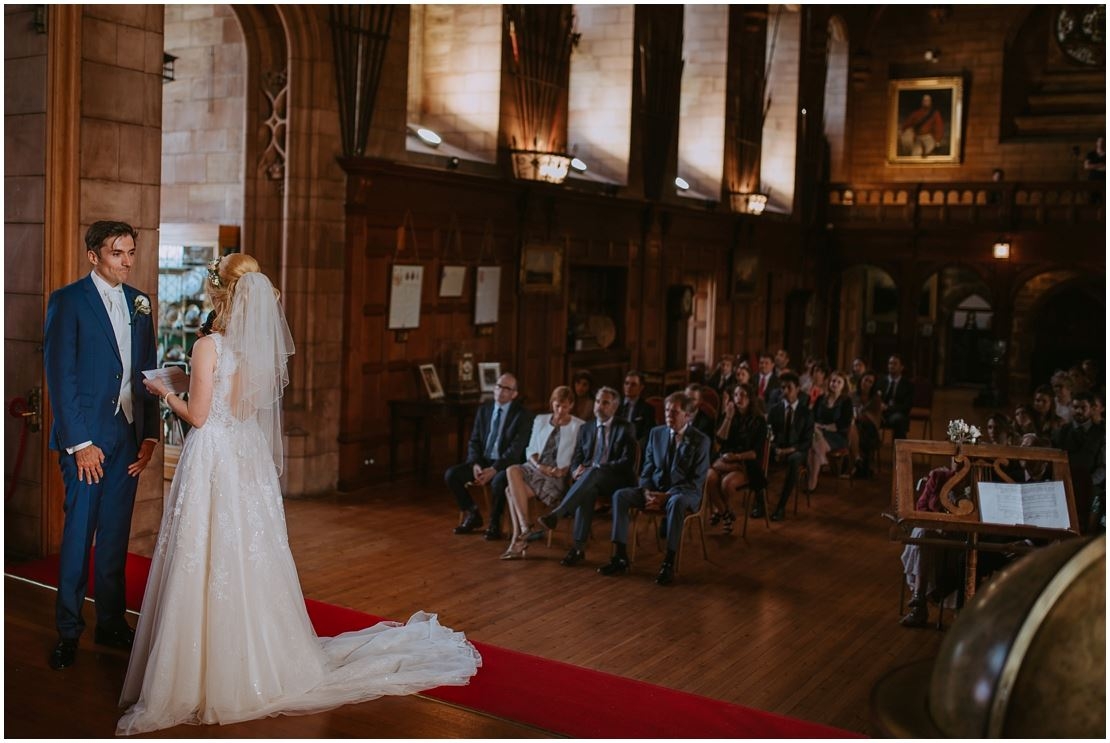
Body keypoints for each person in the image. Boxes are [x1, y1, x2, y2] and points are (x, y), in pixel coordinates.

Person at [121, 254, 480, 734]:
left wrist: (163, 391)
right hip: (244, 458)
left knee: (205, 553)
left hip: (213, 458)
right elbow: (240, 406)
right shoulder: (255, 349)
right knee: (249, 557)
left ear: (219, 293)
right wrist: (194, 388)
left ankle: (203, 670)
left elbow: (202, 417)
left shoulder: (208, 346)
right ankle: (260, 660)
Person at [43, 221, 160, 671]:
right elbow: (61, 376)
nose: (127, 261)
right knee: (78, 536)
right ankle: (68, 631)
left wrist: (148, 436)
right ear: (94, 256)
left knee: (114, 536)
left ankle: (111, 623)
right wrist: (80, 444)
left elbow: (146, 372)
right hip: (86, 441)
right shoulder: (68, 301)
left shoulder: (140, 304)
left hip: (127, 437)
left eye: (131, 252)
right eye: (118, 253)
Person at [597, 391, 711, 586]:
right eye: (667, 411)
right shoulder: (656, 433)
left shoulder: (701, 440)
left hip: (683, 494)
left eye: (674, 412)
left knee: (676, 502)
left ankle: (668, 562)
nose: (668, 415)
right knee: (620, 496)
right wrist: (647, 491)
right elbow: (648, 468)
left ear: (687, 415)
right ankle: (620, 556)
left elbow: (696, 481)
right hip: (655, 491)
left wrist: (665, 497)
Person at [535, 386, 638, 567]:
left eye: (605, 403)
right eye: (597, 402)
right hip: (592, 480)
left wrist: (597, 468)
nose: (599, 406)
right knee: (587, 490)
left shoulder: (625, 427)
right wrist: (575, 470)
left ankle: (558, 514)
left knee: (592, 473)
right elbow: (577, 458)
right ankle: (578, 549)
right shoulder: (586, 428)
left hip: (617, 480)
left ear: (614, 407)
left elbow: (627, 462)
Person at [443, 372, 533, 540]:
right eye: (498, 386)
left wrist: (494, 469)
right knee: (452, 475)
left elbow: (515, 450)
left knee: (498, 481)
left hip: (507, 464)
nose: (500, 391)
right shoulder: (484, 409)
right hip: (483, 460)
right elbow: (474, 440)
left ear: (514, 394)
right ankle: (473, 514)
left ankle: (494, 523)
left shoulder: (523, 416)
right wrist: (475, 464)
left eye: (506, 388)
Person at [500, 386, 584, 559]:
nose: (561, 410)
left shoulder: (579, 426)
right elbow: (530, 449)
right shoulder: (540, 420)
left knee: (510, 491)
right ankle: (525, 527)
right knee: (511, 470)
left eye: (565, 406)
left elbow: (579, 455)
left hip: (557, 476)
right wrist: (539, 466)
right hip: (536, 468)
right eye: (557, 405)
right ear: (552, 403)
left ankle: (519, 538)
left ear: (572, 406)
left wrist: (564, 470)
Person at [706, 383, 768, 532]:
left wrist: (736, 457)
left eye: (743, 395)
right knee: (708, 478)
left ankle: (719, 511)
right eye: (736, 395)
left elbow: (754, 453)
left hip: (746, 462)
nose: (739, 398)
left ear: (750, 398)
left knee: (726, 483)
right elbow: (719, 441)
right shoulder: (729, 415)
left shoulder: (759, 421)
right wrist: (728, 417)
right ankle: (725, 512)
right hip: (726, 460)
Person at [752, 373, 813, 522]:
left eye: (789, 387)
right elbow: (768, 434)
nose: (785, 391)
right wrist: (774, 448)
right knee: (757, 456)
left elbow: (807, 441)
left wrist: (789, 450)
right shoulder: (775, 409)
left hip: (796, 450)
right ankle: (760, 503)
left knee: (794, 459)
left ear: (798, 389)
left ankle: (781, 507)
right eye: (783, 388)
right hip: (777, 449)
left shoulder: (806, 413)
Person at [805, 370, 853, 492]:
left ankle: (812, 482)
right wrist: (817, 426)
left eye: (838, 382)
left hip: (837, 435)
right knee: (814, 439)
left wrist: (826, 427)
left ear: (844, 385)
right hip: (818, 431)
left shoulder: (846, 401)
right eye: (833, 381)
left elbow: (845, 423)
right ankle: (813, 481)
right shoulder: (821, 398)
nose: (835, 384)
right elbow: (812, 416)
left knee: (812, 447)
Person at [851, 371, 883, 479]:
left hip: (870, 428)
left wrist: (863, 416)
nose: (867, 383)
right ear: (861, 381)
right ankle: (857, 460)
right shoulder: (853, 395)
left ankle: (859, 462)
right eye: (865, 380)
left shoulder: (875, 399)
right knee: (852, 427)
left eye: (870, 382)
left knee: (861, 430)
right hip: (854, 425)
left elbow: (875, 419)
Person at [876, 354, 914, 440]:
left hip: (897, 413)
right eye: (890, 363)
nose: (891, 366)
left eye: (895, 364)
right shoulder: (880, 381)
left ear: (901, 367)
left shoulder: (908, 385)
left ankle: (899, 449)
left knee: (898, 420)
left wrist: (888, 408)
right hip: (880, 413)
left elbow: (907, 406)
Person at [617, 370, 655, 446]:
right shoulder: (616, 404)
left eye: (633, 384)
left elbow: (648, 434)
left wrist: (636, 447)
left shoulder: (647, 409)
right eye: (626, 383)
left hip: (635, 446)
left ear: (641, 387)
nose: (628, 387)